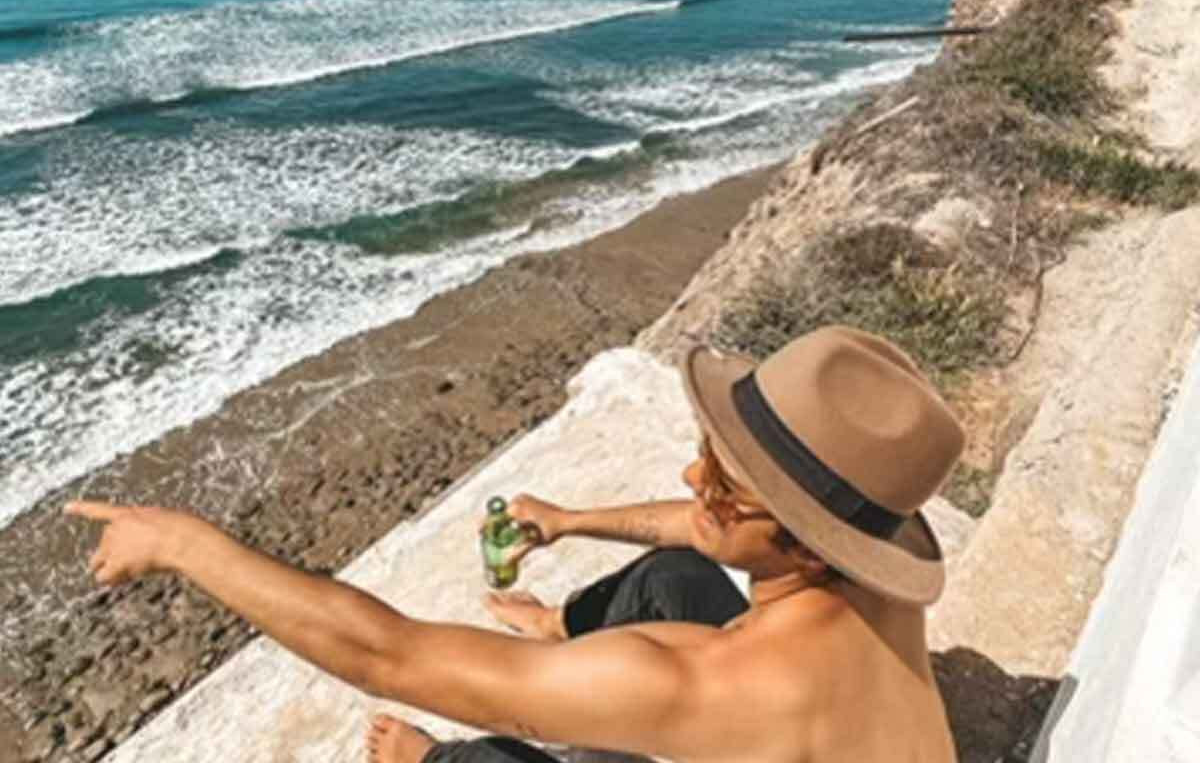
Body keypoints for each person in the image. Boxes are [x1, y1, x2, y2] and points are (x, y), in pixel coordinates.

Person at [67, 325, 964, 763]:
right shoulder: (870, 567)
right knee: (682, 570)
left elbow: (392, 656)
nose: (696, 484)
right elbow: (701, 531)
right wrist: (570, 520)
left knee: (495, 756)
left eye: (723, 483)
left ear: (809, 545)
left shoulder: (705, 682)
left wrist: (185, 543)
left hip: (755, 717)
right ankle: (563, 625)